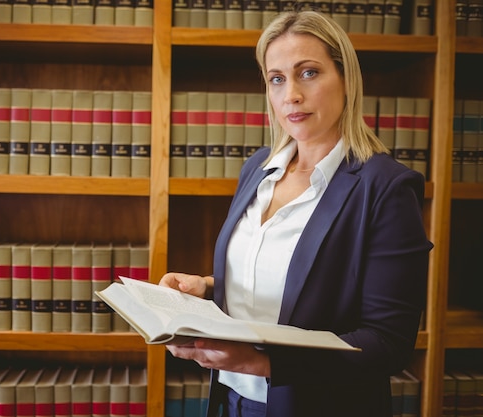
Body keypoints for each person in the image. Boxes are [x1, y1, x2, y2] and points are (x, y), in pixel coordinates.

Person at [159, 10, 433, 417]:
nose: (291, 95)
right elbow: (293, 285)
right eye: (277, 78)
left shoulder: (386, 188)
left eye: (308, 73)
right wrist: (208, 289)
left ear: (345, 78)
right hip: (230, 400)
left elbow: (387, 344)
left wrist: (261, 362)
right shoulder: (258, 168)